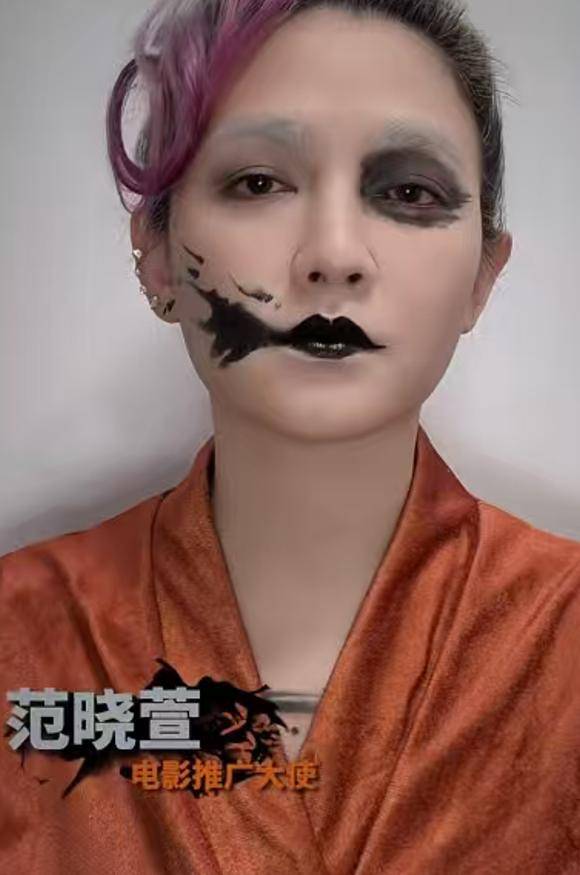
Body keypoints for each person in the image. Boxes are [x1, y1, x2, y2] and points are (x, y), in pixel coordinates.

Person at [1, 0, 579, 872]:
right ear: (156, 254)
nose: (333, 254)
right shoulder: (20, 633)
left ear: (482, 279)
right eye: (257, 183)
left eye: (408, 192)